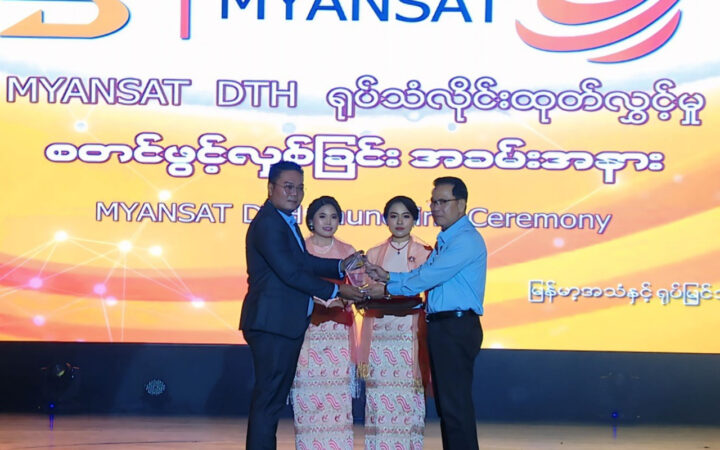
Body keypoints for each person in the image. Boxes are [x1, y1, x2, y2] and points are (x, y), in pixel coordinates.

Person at [240, 161, 365, 450]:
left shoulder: (284, 220)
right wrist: (337, 289)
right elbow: (291, 273)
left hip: (281, 324)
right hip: (272, 324)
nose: (294, 194)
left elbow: (302, 261)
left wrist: (340, 265)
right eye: (288, 187)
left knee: (271, 401)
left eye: (299, 188)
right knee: (268, 401)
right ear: (270, 187)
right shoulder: (269, 223)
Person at [364, 177, 486, 450]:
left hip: (455, 326)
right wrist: (388, 276)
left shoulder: (465, 240)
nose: (436, 208)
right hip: (444, 327)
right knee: (448, 406)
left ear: (461, 204)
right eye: (433, 202)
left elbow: (428, 277)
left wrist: (388, 286)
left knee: (455, 407)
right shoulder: (447, 239)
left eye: (443, 202)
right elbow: (422, 272)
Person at [359, 196, 432, 450]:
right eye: (393, 216)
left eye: (406, 216)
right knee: (379, 397)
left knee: (408, 398)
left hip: (410, 334)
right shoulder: (373, 254)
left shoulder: (425, 254)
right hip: (380, 334)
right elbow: (366, 290)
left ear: (415, 220)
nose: (400, 221)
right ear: (385, 220)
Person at [291, 196, 357, 450]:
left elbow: (358, 288)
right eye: (322, 216)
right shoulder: (300, 250)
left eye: (334, 217)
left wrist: (347, 299)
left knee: (336, 397)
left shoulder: (348, 251)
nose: (328, 222)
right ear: (310, 220)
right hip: (307, 330)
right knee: (308, 394)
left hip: (338, 331)